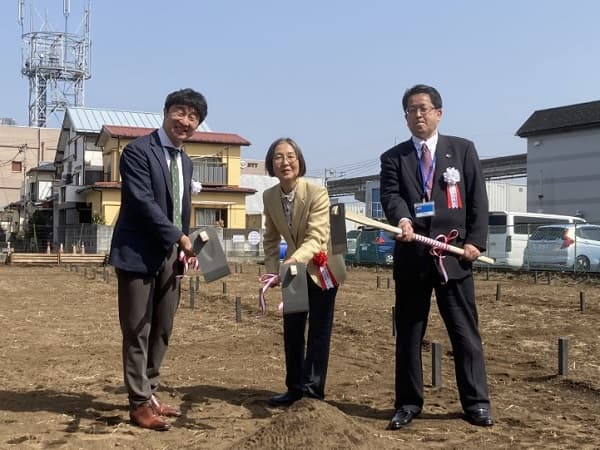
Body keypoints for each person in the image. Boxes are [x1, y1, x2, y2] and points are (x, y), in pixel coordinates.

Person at [380, 84, 493, 429]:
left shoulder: (461, 150)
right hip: (413, 258)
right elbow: (392, 197)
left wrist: (476, 241)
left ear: (438, 113)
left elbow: (477, 200)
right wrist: (402, 220)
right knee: (410, 335)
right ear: (405, 117)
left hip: (454, 258)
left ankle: (476, 403)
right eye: (411, 110)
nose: (418, 115)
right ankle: (409, 403)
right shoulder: (393, 158)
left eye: (424, 108)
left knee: (464, 334)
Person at [109, 88, 208, 431]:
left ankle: (149, 392)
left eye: (193, 117)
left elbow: (180, 209)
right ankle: (137, 405)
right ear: (165, 112)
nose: (185, 121)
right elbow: (142, 202)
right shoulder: (138, 151)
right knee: (138, 328)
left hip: (171, 255)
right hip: (137, 252)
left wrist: (187, 240)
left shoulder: (186, 161)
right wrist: (179, 237)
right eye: (180, 112)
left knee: (163, 327)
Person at [262, 137, 346, 406]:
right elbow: (271, 238)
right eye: (278, 157)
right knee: (293, 330)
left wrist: (291, 262)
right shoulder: (269, 196)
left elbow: (317, 236)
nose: (285, 162)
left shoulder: (316, 192)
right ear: (271, 164)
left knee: (319, 332)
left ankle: (312, 391)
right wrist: (272, 271)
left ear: (299, 161)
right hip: (293, 271)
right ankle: (294, 388)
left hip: (322, 268)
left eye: (291, 156)